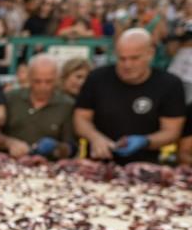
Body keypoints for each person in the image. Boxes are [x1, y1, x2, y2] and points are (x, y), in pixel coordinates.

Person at [73, 28, 186, 164]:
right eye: (122, 59)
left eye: (134, 58)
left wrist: (146, 141)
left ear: (150, 54)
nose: (127, 65)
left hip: (145, 165)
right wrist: (95, 137)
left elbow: (172, 131)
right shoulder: (97, 78)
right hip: (98, 162)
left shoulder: (169, 84)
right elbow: (81, 118)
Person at [0, 54, 74, 159]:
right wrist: (9, 143)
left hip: (48, 167)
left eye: (49, 81)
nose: (43, 87)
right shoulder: (11, 98)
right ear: (29, 78)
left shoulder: (66, 105)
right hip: (9, 163)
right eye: (37, 81)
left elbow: (71, 148)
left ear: (57, 79)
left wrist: (56, 148)